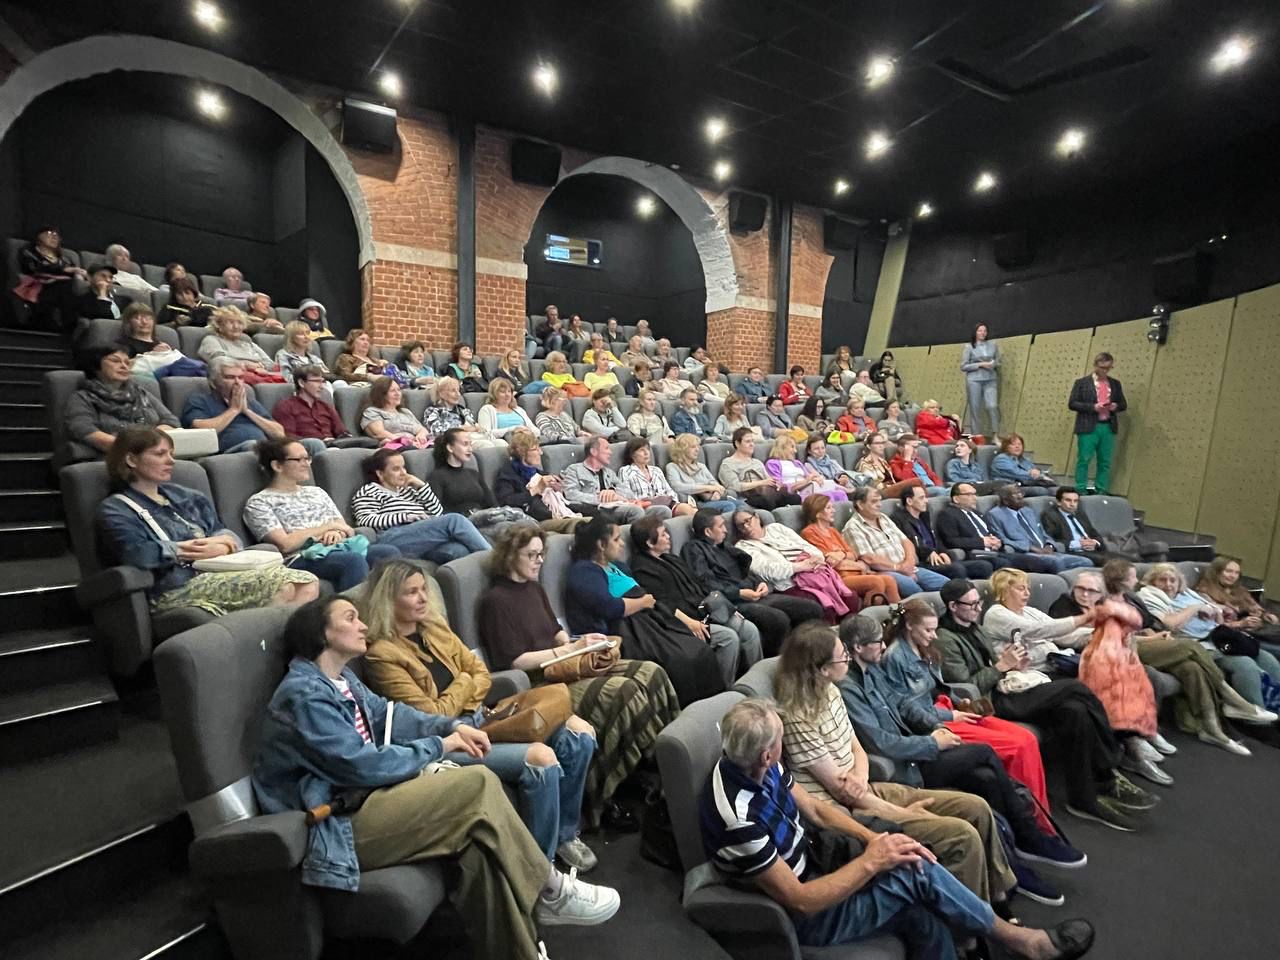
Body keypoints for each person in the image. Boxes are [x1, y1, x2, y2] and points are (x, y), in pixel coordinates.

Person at [252, 597, 620, 960]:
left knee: (480, 850)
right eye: (350, 618)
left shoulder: (341, 679)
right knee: (475, 784)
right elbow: (359, 765)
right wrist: (438, 745)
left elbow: (393, 717)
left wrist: (454, 727)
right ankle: (548, 888)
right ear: (322, 634)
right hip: (334, 823)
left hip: (365, 796)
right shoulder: (304, 694)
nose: (363, 625)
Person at [701, 698, 1096, 960]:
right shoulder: (738, 818)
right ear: (769, 753)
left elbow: (818, 812)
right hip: (808, 914)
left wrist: (874, 838)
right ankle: (1019, 941)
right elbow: (801, 901)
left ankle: (993, 939)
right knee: (914, 870)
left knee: (920, 912)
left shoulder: (757, 761)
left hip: (819, 858)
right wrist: (874, 860)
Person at [359, 560, 597, 867]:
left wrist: (465, 685)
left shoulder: (434, 627)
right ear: (388, 600)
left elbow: (481, 673)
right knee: (541, 759)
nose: (423, 598)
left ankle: (564, 836)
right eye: (411, 593)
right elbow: (433, 713)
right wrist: (465, 682)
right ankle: (538, 867)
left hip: (483, 717)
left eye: (423, 590)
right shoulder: (381, 654)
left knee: (578, 734)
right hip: (447, 741)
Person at [840, 615, 1084, 902]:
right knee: (984, 751)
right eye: (877, 642)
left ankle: (1013, 866)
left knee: (987, 779)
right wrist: (932, 743)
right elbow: (881, 743)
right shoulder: (848, 688)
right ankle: (1030, 838)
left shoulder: (873, 670)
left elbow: (904, 705)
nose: (883, 645)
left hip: (920, 750)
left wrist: (941, 720)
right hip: (908, 766)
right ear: (857, 647)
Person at [774, 623, 1017, 905]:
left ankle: (998, 899)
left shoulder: (831, 691)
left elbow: (857, 748)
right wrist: (900, 812)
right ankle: (971, 937)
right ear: (822, 669)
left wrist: (862, 775)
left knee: (977, 807)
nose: (848, 661)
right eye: (843, 657)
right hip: (842, 811)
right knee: (962, 834)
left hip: (865, 787)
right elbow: (843, 793)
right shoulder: (795, 717)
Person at [480, 526, 678, 830]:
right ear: (509, 557)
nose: (539, 561)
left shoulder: (534, 588)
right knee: (622, 692)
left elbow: (555, 632)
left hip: (566, 662)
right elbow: (515, 661)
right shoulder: (496, 601)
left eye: (541, 554)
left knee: (651, 673)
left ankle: (654, 767)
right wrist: (570, 648)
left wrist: (582, 640)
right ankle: (601, 796)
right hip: (541, 681)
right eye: (531, 555)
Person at [934, 578, 1154, 831]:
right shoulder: (945, 638)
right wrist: (1000, 667)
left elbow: (993, 663)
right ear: (952, 606)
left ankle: (1084, 798)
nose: (977, 608)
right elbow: (967, 687)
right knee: (1077, 688)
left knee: (1075, 711)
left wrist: (1014, 663)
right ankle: (1109, 765)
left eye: (978, 602)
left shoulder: (974, 627)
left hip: (1011, 686)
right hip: (993, 700)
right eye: (971, 604)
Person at [878, 600, 1057, 838]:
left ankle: (1041, 815)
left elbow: (939, 688)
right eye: (928, 630)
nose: (934, 635)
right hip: (933, 723)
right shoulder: (895, 658)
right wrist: (950, 714)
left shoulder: (927, 649)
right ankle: (1030, 820)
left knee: (1026, 737)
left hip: (947, 708)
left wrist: (959, 703)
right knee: (1019, 746)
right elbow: (907, 709)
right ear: (909, 626)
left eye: (934, 629)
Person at [96, 428, 319, 615]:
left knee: (305, 582)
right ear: (131, 460)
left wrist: (224, 544)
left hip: (217, 571)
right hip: (174, 586)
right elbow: (135, 553)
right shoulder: (117, 508)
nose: (171, 461)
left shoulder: (187, 495)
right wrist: (187, 550)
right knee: (292, 584)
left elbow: (223, 532)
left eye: (171, 454)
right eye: (160, 454)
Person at [564, 516, 722, 706]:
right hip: (626, 630)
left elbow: (650, 600)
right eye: (616, 539)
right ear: (600, 544)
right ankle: (688, 713)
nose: (622, 544)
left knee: (700, 650)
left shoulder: (617, 566)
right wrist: (643, 602)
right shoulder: (584, 571)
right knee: (680, 661)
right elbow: (610, 607)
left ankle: (713, 707)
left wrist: (681, 618)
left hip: (650, 621)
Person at [1104, 559, 1257, 755]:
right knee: (1190, 647)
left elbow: (1146, 624)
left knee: (1191, 667)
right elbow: (1117, 637)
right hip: (1128, 649)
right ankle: (1232, 698)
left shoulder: (1131, 598)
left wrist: (1152, 634)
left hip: (1151, 640)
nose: (1137, 580)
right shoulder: (1108, 602)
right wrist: (1153, 638)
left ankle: (1212, 728)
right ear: (1121, 580)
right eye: (1133, 577)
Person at [1045, 572, 1172, 785]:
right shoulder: (1063, 606)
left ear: (1101, 593)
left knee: (1142, 672)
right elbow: (1062, 636)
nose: (1084, 594)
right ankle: (1131, 743)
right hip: (1073, 661)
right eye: (1080, 589)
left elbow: (1130, 633)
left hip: (1108, 658)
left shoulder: (1108, 607)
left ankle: (1140, 733)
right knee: (1114, 678)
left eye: (1091, 590)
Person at [244, 438, 400, 590]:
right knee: (352, 561)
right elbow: (285, 544)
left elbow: (347, 529)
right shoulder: (259, 502)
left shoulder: (317, 492)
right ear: (277, 465)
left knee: (388, 552)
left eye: (307, 458)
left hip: (339, 547)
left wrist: (337, 533)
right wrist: (328, 527)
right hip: (301, 557)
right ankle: (353, 613)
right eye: (299, 459)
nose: (306, 464)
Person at [629, 515, 762, 687]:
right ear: (649, 543)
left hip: (705, 610)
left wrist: (726, 607)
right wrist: (691, 622)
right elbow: (661, 604)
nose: (669, 537)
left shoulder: (671, 559)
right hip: (683, 621)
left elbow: (700, 586)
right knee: (728, 638)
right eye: (663, 535)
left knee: (749, 630)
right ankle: (724, 689)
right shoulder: (643, 569)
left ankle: (753, 682)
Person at [1138, 563, 1280, 713]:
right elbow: (1170, 625)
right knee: (1245, 664)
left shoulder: (1187, 594)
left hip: (1221, 637)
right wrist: (1195, 608)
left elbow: (1218, 619)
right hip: (1202, 644)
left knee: (1266, 657)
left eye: (1173, 580)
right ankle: (1257, 717)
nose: (1168, 585)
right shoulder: (1153, 597)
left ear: (1179, 582)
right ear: (1153, 582)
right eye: (1162, 580)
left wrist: (1217, 612)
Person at [682, 509, 822, 656]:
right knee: (777, 619)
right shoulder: (694, 549)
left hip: (755, 593)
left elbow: (748, 571)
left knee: (811, 609)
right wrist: (739, 593)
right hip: (732, 601)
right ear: (708, 532)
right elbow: (705, 583)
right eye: (721, 526)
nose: (725, 530)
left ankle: (806, 655)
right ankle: (775, 663)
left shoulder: (726, 546)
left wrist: (761, 584)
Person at [352, 447, 492, 561]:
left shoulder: (408, 490)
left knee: (458, 550)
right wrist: (405, 517)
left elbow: (437, 512)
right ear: (380, 474)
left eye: (404, 467)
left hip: (421, 536)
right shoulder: (369, 491)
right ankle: (496, 564)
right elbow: (365, 520)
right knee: (455, 520)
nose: (403, 473)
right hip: (393, 536)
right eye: (396, 469)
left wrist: (421, 486)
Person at [732, 510, 855, 623]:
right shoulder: (743, 547)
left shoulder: (776, 528)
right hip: (788, 584)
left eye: (748, 521)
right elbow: (767, 571)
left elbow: (806, 546)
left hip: (814, 572)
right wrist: (800, 566)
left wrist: (815, 558)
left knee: (851, 598)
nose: (746, 527)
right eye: (740, 526)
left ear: (757, 517)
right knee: (823, 607)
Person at [65, 346, 179, 459]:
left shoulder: (140, 393)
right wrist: (138, 447)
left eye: (127, 363)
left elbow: (170, 420)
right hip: (115, 458)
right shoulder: (83, 397)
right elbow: (83, 429)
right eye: (115, 361)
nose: (124, 366)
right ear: (96, 365)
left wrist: (153, 439)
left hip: (157, 454)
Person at [842, 487, 951, 597]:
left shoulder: (883, 518)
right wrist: (898, 568)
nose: (879, 505)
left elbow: (906, 542)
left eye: (880, 500)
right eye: (874, 501)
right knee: (916, 592)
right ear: (860, 504)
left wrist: (908, 562)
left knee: (948, 586)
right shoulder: (852, 527)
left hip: (908, 567)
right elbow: (869, 558)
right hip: (886, 572)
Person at [799, 494, 900, 605]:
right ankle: (869, 617)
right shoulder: (809, 533)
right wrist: (859, 565)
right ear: (817, 513)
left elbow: (853, 554)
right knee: (876, 582)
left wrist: (841, 554)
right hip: (837, 577)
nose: (834, 510)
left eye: (832, 507)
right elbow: (830, 562)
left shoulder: (832, 531)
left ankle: (898, 615)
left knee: (890, 580)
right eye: (828, 508)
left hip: (855, 573)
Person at [182, 360, 300, 455]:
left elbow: (279, 433)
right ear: (213, 383)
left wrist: (247, 411)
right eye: (230, 377)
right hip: (229, 454)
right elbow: (202, 431)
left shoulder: (250, 402)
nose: (238, 382)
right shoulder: (200, 400)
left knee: (311, 444)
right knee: (253, 446)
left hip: (264, 449)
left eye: (241, 377)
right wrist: (233, 410)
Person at [492, 429, 586, 531]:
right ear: (523, 452)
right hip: (537, 519)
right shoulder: (508, 474)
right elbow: (506, 501)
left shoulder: (539, 473)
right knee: (580, 524)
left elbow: (561, 499)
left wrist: (559, 489)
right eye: (536, 449)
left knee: (597, 515)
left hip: (555, 513)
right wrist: (536, 489)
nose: (540, 453)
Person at [893, 485, 992, 580]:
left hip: (938, 559)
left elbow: (937, 540)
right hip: (923, 562)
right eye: (921, 498)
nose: (926, 501)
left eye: (926, 497)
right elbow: (909, 543)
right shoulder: (899, 519)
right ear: (909, 501)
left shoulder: (925, 516)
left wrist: (943, 552)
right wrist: (928, 552)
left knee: (984, 566)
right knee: (957, 569)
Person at [987, 486, 1092, 573]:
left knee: (1086, 562)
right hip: (1025, 553)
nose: (1021, 497)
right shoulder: (995, 515)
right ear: (1005, 500)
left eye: (1021, 493)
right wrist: (1031, 548)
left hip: (1047, 551)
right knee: (1056, 563)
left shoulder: (1028, 511)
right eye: (1016, 495)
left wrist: (1049, 545)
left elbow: (1043, 532)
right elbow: (1002, 539)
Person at [563, 436, 668, 523]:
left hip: (618, 506)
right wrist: (599, 498)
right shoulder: (575, 469)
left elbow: (629, 493)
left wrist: (614, 493)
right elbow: (570, 494)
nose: (610, 452)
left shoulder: (609, 472)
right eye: (606, 448)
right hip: (598, 510)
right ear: (594, 452)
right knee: (635, 511)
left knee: (663, 511)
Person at [934, 483, 1026, 572]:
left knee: (1029, 561)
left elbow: (992, 533)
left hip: (993, 552)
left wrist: (997, 542)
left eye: (975, 494)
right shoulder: (948, 514)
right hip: (974, 553)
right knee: (1004, 563)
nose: (974, 498)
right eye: (969, 494)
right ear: (956, 498)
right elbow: (952, 541)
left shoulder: (977, 514)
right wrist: (982, 542)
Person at [1198, 556, 1280, 654]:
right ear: (1216, 572)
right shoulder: (1205, 593)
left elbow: (1255, 607)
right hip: (1231, 636)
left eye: (1236, 573)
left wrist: (1265, 615)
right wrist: (1241, 624)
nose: (1233, 576)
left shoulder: (1240, 590)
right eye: (1228, 571)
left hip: (1256, 630)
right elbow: (1211, 626)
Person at [1069, 352, 1125, 494]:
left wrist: (1115, 406)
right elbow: (1072, 403)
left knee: (1105, 461)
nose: (1105, 371)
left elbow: (1123, 404)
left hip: (1107, 426)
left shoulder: (1115, 384)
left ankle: (1101, 490)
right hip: (1088, 426)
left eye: (1108, 368)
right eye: (1102, 367)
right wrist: (1093, 407)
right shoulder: (1082, 383)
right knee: (1084, 459)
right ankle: (1080, 488)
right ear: (1095, 365)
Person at [14, 225, 86, 332]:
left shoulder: (64, 258)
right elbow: (32, 269)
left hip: (62, 286)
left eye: (56, 235)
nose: (54, 237)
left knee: (68, 286)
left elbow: (71, 271)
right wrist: (63, 270)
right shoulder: (29, 251)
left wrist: (79, 273)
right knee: (64, 287)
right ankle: (69, 324)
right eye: (49, 234)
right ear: (39, 237)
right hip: (38, 283)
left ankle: (56, 321)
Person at [1040, 487, 1126, 565]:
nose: (1072, 504)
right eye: (1068, 500)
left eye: (1075, 501)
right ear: (1059, 502)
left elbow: (1094, 533)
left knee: (1127, 559)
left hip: (1092, 551)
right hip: (1073, 552)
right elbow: (1051, 540)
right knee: (1113, 563)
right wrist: (1078, 544)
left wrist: (1094, 543)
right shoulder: (1050, 515)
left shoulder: (1080, 514)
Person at [719, 427, 801, 509]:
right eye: (748, 441)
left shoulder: (757, 462)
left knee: (795, 498)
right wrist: (761, 483)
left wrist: (776, 484)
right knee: (767, 501)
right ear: (737, 443)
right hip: (747, 496)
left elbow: (768, 480)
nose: (752, 444)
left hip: (766, 493)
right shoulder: (728, 463)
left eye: (752, 441)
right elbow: (735, 486)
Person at [273, 364, 355, 445]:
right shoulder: (286, 406)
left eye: (322, 381)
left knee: (365, 442)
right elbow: (289, 437)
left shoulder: (326, 406)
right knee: (317, 444)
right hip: (309, 449)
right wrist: (321, 441)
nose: (321, 386)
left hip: (333, 446)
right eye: (316, 381)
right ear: (301, 383)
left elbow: (342, 432)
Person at [665, 433, 741, 513]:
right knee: (729, 506)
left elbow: (714, 483)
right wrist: (708, 488)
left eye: (698, 446)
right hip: (695, 503)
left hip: (711, 499)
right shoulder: (672, 467)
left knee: (741, 504)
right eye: (693, 447)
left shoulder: (701, 466)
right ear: (682, 449)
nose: (697, 449)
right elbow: (677, 487)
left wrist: (717, 491)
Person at [619, 437, 695, 517]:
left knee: (688, 509)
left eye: (648, 449)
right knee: (664, 510)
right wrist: (643, 500)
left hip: (667, 504)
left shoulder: (656, 470)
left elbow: (669, 490)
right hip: (644, 506)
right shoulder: (625, 471)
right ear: (632, 454)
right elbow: (626, 495)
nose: (646, 453)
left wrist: (673, 500)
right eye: (642, 450)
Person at [197, 306, 277, 376]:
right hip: (234, 376)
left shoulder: (249, 343)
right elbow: (218, 361)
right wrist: (246, 365)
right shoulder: (211, 340)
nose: (236, 326)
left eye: (240, 323)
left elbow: (270, 364)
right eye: (231, 322)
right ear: (219, 325)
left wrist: (261, 367)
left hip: (261, 374)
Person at [424, 377, 502, 448]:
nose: (458, 394)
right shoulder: (432, 411)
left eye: (458, 390)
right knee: (486, 445)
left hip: (473, 437)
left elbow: (475, 427)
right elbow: (437, 432)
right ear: (441, 394)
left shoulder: (463, 410)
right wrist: (461, 428)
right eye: (453, 391)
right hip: (454, 443)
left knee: (501, 443)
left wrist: (477, 427)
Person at [768, 435, 847, 501]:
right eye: (792, 447)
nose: (795, 451)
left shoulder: (797, 463)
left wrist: (816, 478)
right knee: (827, 497)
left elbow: (810, 477)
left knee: (840, 493)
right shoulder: (772, 463)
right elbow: (779, 487)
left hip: (809, 489)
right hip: (795, 495)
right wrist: (806, 481)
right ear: (782, 447)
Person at [361, 376, 431, 448]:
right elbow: (379, 433)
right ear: (381, 394)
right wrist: (407, 442)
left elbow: (422, 429)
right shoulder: (372, 412)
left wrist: (421, 435)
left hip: (416, 445)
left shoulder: (405, 412)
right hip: (396, 445)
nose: (397, 393)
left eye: (398, 390)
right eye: (392, 391)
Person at [961, 324, 1001, 438]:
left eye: (985, 331)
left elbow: (998, 361)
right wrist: (980, 364)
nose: (983, 333)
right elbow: (963, 366)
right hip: (974, 380)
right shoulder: (969, 347)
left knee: (992, 406)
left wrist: (993, 364)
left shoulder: (993, 345)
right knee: (975, 408)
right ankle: (977, 436)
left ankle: (995, 435)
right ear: (975, 333)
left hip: (990, 379)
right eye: (980, 331)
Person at [854, 433, 920, 499]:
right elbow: (872, 485)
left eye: (882, 443)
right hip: (879, 492)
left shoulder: (883, 461)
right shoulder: (864, 463)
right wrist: (893, 487)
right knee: (916, 482)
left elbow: (892, 480)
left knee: (915, 488)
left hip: (892, 489)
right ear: (869, 446)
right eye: (877, 443)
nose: (881, 446)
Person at [991, 435, 1055, 495]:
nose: (1017, 446)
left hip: (1022, 484)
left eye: (1019, 444)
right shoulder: (1001, 459)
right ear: (1006, 446)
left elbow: (1035, 469)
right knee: (1040, 491)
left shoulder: (1022, 459)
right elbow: (1017, 474)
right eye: (1013, 444)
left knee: (1056, 490)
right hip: (1008, 486)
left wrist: (1040, 473)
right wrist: (1040, 477)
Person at [274, 321, 330, 385]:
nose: (306, 337)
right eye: (301, 334)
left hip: (321, 386)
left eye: (307, 333)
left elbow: (326, 375)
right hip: (299, 389)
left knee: (338, 383)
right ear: (291, 338)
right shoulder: (283, 355)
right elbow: (286, 378)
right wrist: (308, 382)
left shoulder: (315, 359)